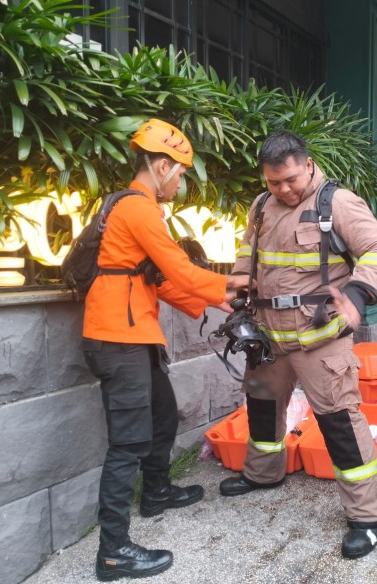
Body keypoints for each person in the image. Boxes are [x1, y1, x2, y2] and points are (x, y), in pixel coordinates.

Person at [82, 118, 248, 581]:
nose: (180, 182)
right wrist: (229, 287)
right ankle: (113, 551)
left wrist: (215, 300)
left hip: (132, 335)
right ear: (160, 166)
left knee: (163, 415)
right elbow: (179, 268)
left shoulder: (134, 210)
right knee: (128, 443)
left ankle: (154, 492)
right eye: (179, 173)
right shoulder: (139, 209)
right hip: (119, 338)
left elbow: (158, 279)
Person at [218, 131, 377, 559]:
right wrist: (238, 284)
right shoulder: (261, 206)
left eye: (291, 180)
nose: (284, 190)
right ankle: (263, 474)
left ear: (308, 164)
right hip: (268, 332)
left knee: (338, 421)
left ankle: (369, 516)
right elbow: (250, 251)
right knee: (260, 403)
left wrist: (355, 296)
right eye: (274, 182)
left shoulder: (337, 203)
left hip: (320, 336)